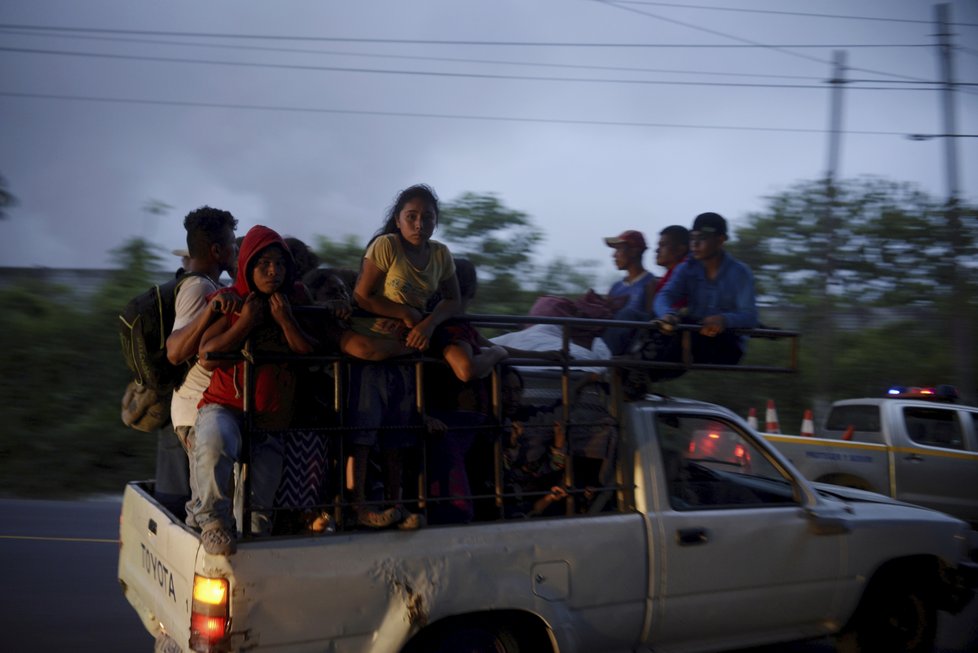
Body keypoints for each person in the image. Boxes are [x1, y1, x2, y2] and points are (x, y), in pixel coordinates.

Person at [188, 225, 319, 555]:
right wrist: (245, 323)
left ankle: (254, 556)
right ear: (247, 266)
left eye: (280, 264)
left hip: (271, 418)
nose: (274, 271)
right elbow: (207, 356)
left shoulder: (296, 300)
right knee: (215, 441)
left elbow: (310, 353)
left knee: (261, 500)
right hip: (225, 406)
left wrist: (286, 321)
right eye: (264, 265)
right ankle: (214, 523)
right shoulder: (230, 301)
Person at [341, 184, 461, 530]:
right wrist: (406, 314)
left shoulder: (440, 255)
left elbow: (452, 301)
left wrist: (428, 322)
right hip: (373, 346)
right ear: (398, 220)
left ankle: (396, 506)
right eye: (411, 216)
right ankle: (359, 507)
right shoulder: (387, 246)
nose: (419, 223)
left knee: (399, 432)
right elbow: (362, 296)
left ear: (435, 222)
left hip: (408, 349)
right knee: (362, 433)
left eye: (427, 217)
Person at [158, 206, 238, 519]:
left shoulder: (210, 284)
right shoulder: (199, 287)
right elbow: (176, 351)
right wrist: (211, 310)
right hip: (196, 412)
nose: (236, 250)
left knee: (213, 500)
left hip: (206, 411)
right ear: (218, 250)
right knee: (207, 507)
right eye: (232, 243)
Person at [652, 212, 758, 367]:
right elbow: (664, 296)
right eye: (692, 239)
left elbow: (750, 317)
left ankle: (638, 373)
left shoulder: (740, 273)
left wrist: (724, 320)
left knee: (684, 333)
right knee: (658, 325)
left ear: (720, 240)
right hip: (694, 334)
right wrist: (667, 314)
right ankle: (634, 372)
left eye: (701, 238)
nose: (694, 245)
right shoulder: (686, 268)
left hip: (727, 343)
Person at [601, 230, 657, 355]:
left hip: (630, 347)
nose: (614, 255)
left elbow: (650, 320)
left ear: (634, 251)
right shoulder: (616, 287)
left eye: (619, 249)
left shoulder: (650, 284)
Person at [653, 225, 690, 296]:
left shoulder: (686, 278)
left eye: (663, 245)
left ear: (680, 249)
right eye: (659, 245)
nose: (657, 250)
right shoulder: (668, 277)